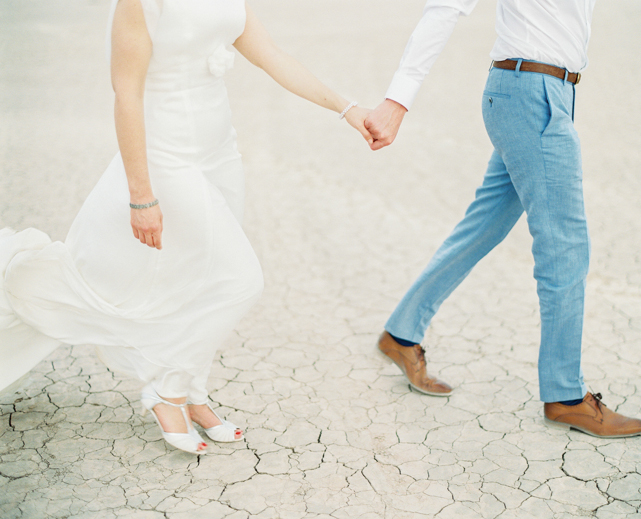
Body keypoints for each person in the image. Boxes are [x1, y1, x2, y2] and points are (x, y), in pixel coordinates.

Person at [0, 0, 371, 454]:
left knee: (204, 280)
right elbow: (126, 94)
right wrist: (141, 194)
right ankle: (167, 392)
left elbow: (274, 57)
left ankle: (193, 393)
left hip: (219, 150)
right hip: (166, 156)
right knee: (241, 282)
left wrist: (347, 108)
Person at [364, 0, 641, 438]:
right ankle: (565, 396)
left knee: (484, 226)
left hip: (541, 93)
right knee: (565, 247)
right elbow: (445, 8)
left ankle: (401, 333)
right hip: (531, 93)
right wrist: (398, 99)